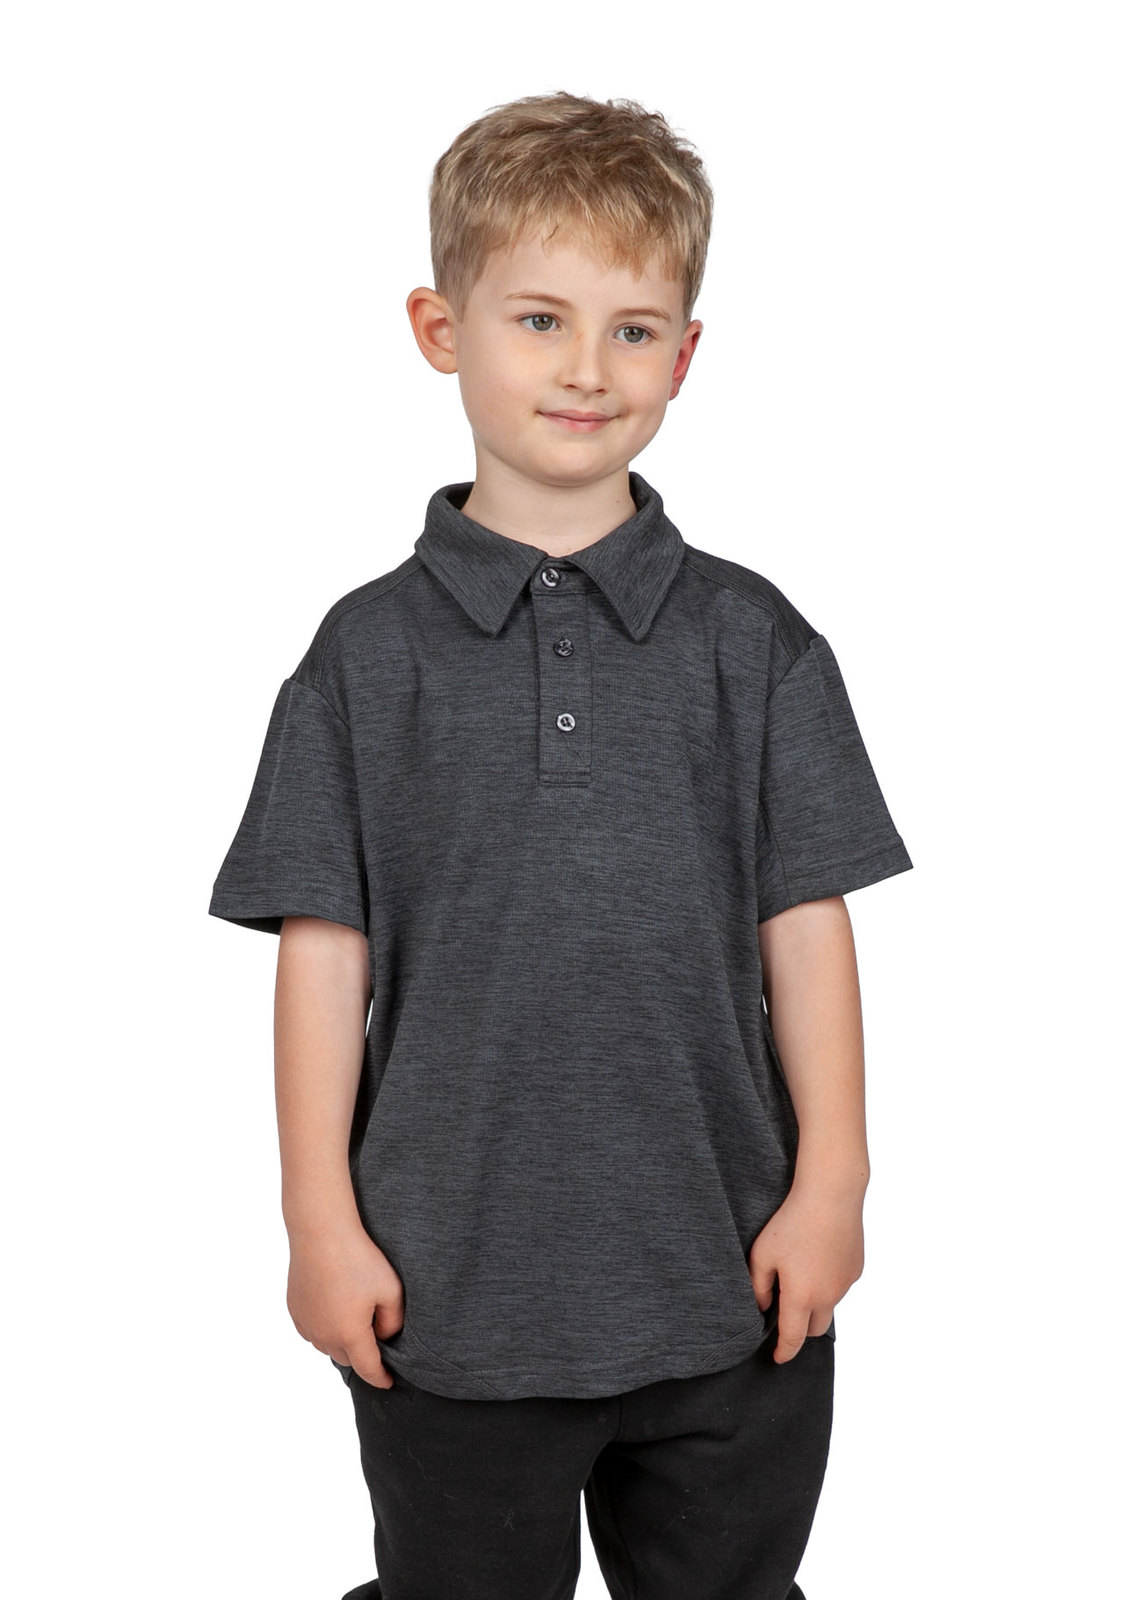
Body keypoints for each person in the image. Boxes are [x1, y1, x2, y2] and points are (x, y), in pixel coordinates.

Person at [209, 90, 913, 1600]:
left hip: (730, 1285)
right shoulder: (360, 660)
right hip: (448, 1300)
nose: (588, 368)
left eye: (633, 329)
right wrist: (317, 1222)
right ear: (440, 329)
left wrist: (835, 1184)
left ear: (686, 355)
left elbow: (808, 929)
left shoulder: (756, 643)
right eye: (539, 319)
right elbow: (322, 962)